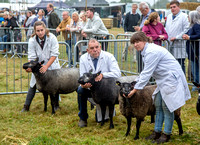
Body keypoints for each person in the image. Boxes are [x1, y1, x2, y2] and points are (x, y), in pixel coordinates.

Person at [128, 31, 191, 144]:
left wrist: (135, 89)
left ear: (144, 40)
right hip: (163, 80)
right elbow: (145, 71)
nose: (135, 44)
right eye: (134, 42)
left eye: (137, 41)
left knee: (167, 107)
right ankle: (157, 132)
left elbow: (147, 73)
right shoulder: (146, 51)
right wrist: (135, 81)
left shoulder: (152, 51)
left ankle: (166, 134)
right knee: (158, 104)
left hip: (171, 79)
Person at [77, 38, 121, 127]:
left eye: (97, 47)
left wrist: (103, 75)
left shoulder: (109, 56)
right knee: (80, 90)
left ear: (100, 47)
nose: (95, 50)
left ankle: (106, 114)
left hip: (106, 90)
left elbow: (117, 73)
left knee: (99, 119)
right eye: (92, 48)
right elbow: (83, 75)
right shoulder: (83, 58)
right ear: (88, 50)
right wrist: (84, 85)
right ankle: (83, 118)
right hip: (91, 89)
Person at [21, 21, 60, 112]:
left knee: (55, 84)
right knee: (33, 84)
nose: (40, 32)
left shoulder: (52, 37)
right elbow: (32, 56)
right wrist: (31, 67)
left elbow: (54, 54)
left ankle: (56, 105)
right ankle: (26, 106)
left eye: (42, 30)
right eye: (38, 30)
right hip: (38, 66)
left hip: (52, 65)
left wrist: (46, 66)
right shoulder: (32, 40)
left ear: (45, 29)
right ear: (35, 31)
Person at [165, 0, 190, 74]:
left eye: (174, 7)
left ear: (179, 7)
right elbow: (167, 28)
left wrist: (177, 37)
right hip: (170, 44)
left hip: (179, 44)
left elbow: (187, 29)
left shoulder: (184, 16)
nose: (172, 9)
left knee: (180, 64)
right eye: (171, 7)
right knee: (170, 64)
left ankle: (182, 82)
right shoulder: (169, 16)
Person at [134, 2, 155, 73]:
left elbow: (153, 26)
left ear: (146, 9)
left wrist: (141, 28)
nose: (141, 12)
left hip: (149, 41)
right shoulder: (142, 16)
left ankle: (150, 78)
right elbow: (140, 23)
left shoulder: (153, 16)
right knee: (140, 59)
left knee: (149, 61)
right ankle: (140, 74)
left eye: (141, 10)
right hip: (141, 40)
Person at [182, 11, 200, 90]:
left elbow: (199, 35)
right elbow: (189, 33)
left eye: (188, 17)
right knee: (194, 69)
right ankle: (196, 84)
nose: (187, 18)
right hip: (192, 51)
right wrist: (185, 35)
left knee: (196, 69)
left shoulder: (196, 26)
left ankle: (197, 85)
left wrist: (189, 37)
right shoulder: (192, 26)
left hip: (195, 51)